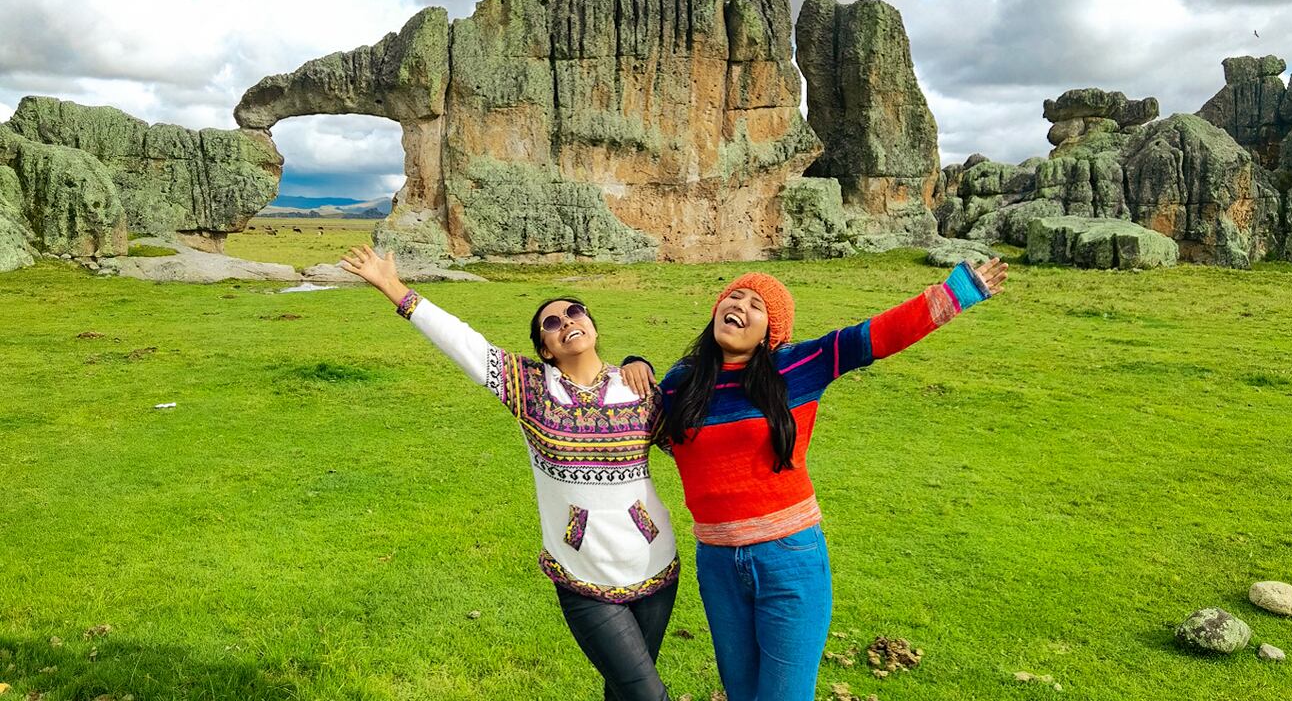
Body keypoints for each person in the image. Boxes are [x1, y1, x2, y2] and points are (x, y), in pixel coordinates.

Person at [630, 259, 1007, 701]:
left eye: (757, 305)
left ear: (772, 332)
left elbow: (876, 336)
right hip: (717, 564)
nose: (740, 306)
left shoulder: (796, 367)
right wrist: (632, 366)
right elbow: (633, 429)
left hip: (789, 557)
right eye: (734, 296)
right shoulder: (682, 383)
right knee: (741, 691)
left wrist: (959, 290)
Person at [340, 245, 680, 701]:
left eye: (575, 312)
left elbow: (698, 446)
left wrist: (646, 364)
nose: (567, 323)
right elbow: (464, 343)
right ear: (545, 348)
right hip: (582, 574)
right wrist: (393, 288)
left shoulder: (639, 388)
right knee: (646, 694)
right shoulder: (531, 388)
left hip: (655, 566)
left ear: (593, 325)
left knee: (623, 690)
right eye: (553, 323)